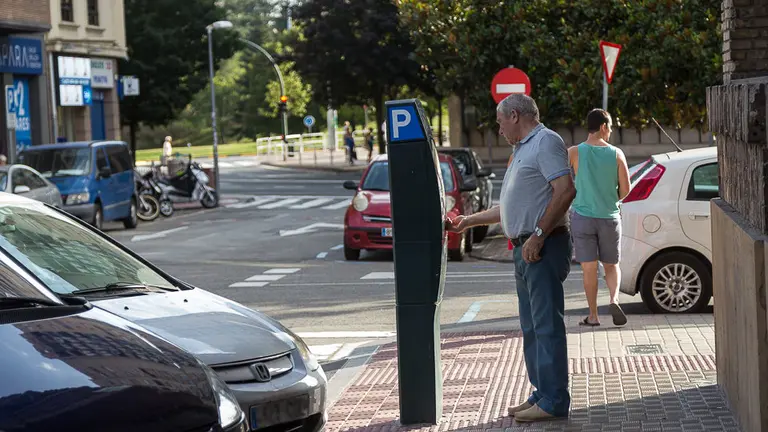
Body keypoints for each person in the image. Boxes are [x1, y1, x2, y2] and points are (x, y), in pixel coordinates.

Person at [446, 93, 576, 422]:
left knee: (546, 327)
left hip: (542, 247)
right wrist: (469, 221)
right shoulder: (521, 150)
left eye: (500, 120)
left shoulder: (545, 142)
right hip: (525, 247)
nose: (499, 127)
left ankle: (554, 401)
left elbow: (566, 190)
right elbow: (510, 208)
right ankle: (542, 393)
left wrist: (538, 235)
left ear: (515, 115)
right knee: (532, 327)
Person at [568, 109, 631, 327]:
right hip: (610, 217)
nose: (611, 131)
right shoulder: (616, 154)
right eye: (611, 127)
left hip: (583, 217)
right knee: (612, 265)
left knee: (589, 268)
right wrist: (610, 198)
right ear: (603, 126)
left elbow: (561, 181)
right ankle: (614, 299)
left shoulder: (574, 153)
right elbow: (626, 189)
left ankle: (593, 316)